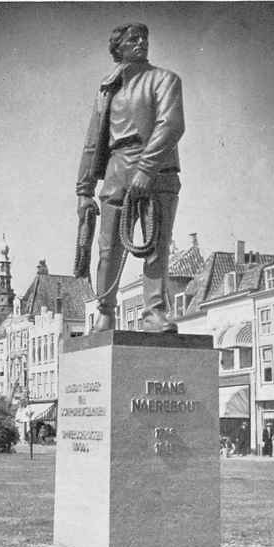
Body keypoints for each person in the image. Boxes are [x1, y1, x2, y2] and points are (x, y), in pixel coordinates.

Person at [76, 23, 185, 332]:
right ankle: (105, 312)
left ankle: (154, 313)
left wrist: (146, 169)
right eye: (132, 39)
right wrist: (84, 190)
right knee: (108, 247)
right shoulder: (107, 88)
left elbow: (171, 125)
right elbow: (92, 141)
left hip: (157, 170)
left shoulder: (165, 79)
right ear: (118, 48)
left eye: (144, 38)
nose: (141, 43)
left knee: (157, 244)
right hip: (116, 169)